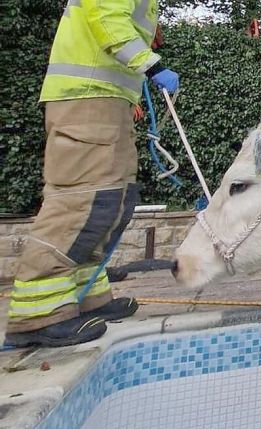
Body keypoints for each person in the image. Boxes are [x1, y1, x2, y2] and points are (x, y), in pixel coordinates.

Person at [3, 0, 179, 348]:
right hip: (86, 97)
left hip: (107, 98)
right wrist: (150, 64)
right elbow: (105, 15)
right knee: (81, 199)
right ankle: (38, 314)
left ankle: (86, 296)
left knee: (112, 198)